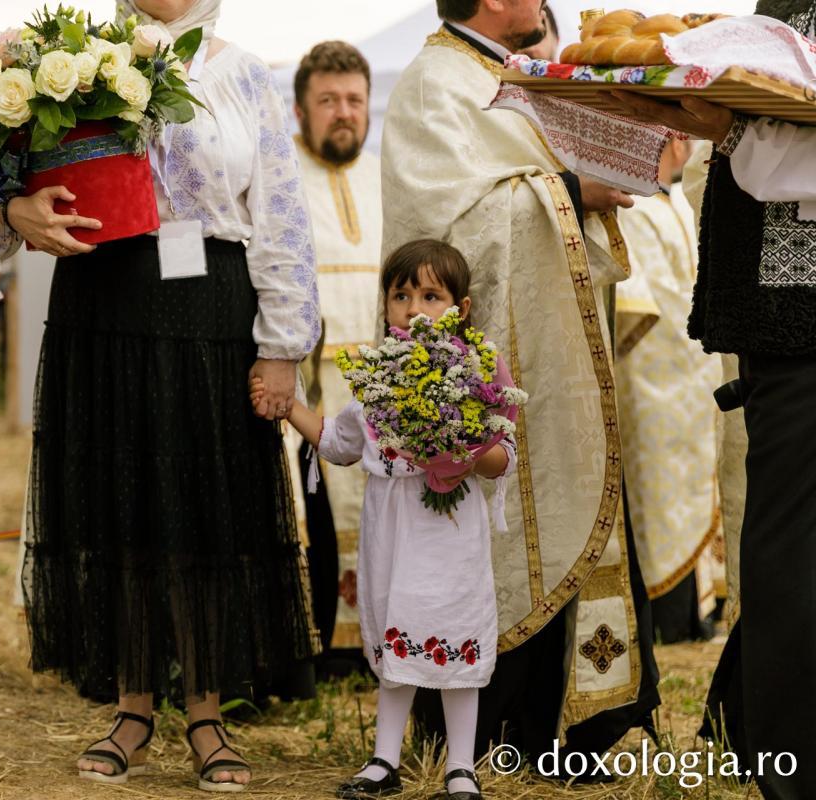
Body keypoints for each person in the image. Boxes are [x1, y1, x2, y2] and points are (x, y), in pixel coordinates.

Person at [0, 0, 321, 791]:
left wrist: (284, 345)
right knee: (115, 506)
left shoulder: (242, 75)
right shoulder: (65, 54)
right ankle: (131, 706)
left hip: (211, 308)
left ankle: (204, 708)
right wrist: (12, 208)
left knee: (208, 506)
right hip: (104, 298)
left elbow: (284, 214)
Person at [382, 0, 663, 769]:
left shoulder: (511, 75)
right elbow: (440, 228)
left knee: (581, 501)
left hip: (558, 359)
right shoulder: (433, 84)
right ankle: (501, 731)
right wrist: (569, 191)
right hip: (490, 382)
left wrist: (582, 183)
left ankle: (580, 725)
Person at [609, 2, 816, 795]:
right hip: (781, 312)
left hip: (801, 309)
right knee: (784, 543)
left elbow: (784, 160)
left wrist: (722, 131)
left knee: (787, 547)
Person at [256, 241, 514, 800]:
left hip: (449, 538)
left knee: (454, 634)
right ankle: (383, 759)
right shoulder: (378, 380)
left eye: (430, 295)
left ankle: (461, 766)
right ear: (386, 305)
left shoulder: (476, 374)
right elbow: (339, 441)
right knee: (398, 639)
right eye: (401, 295)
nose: (414, 307)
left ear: (461, 309)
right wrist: (288, 406)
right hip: (392, 535)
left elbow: (501, 458)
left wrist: (460, 446)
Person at [289, 40, 382, 675]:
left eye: (353, 99)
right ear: (300, 110)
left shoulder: (385, 173)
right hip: (309, 388)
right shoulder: (281, 176)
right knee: (317, 522)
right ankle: (322, 650)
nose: (343, 112)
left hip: (384, 387)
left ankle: (377, 643)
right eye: (328, 100)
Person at [614, 140, 724, 644]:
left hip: (694, 377)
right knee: (658, 500)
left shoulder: (676, 197)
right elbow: (636, 304)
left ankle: (697, 612)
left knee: (695, 494)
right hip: (652, 383)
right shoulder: (633, 205)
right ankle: (669, 618)